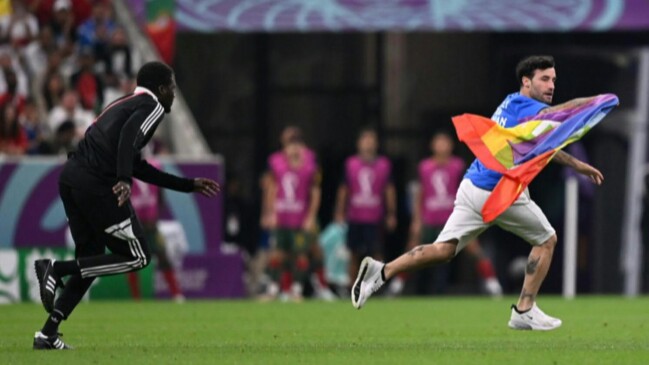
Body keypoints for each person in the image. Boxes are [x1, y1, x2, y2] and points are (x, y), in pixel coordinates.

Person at [351, 55, 604, 331]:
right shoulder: (527, 106)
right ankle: (524, 309)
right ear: (526, 81)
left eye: (553, 79)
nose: (551, 85)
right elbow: (557, 116)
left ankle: (382, 271)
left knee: (443, 249)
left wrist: (578, 165)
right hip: (496, 189)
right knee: (547, 240)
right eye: (545, 79)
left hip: (472, 185)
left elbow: (544, 146)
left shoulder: (510, 102)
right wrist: (594, 102)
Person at [32, 61, 220, 350]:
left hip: (71, 178)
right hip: (96, 183)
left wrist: (187, 185)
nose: (173, 93)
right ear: (160, 88)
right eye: (171, 87)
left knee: (91, 260)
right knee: (139, 256)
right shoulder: (152, 105)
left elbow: (137, 165)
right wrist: (122, 179)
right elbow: (128, 138)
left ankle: (48, 333)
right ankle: (56, 270)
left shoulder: (124, 103)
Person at [393, 132, 502, 296]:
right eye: (439, 142)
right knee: (414, 248)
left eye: (445, 142)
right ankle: (396, 285)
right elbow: (419, 194)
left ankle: (493, 284)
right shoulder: (425, 167)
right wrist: (416, 220)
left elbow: (467, 189)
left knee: (474, 248)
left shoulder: (457, 165)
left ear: (451, 146)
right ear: (432, 145)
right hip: (429, 218)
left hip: (453, 217)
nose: (442, 145)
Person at [334, 128, 396, 284]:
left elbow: (389, 190)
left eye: (371, 140)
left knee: (376, 253)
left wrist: (391, 213)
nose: (368, 144)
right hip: (355, 216)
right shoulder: (351, 164)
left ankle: (378, 285)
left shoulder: (384, 165)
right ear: (358, 144)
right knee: (353, 253)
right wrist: (339, 212)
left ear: (376, 144)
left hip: (375, 217)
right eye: (365, 140)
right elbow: (344, 189)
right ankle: (350, 287)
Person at [264, 134, 321, 301]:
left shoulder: (309, 169)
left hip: (299, 219)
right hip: (282, 218)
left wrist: (310, 217)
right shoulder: (278, 167)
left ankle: (297, 290)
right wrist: (271, 213)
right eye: (291, 146)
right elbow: (272, 189)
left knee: (301, 255)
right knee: (277, 255)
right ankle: (273, 289)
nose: (294, 150)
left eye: (297, 146)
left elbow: (315, 193)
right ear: (285, 149)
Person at [126, 156, 184, 302]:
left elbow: (160, 195)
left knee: (163, 257)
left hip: (151, 225)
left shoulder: (154, 167)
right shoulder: (124, 170)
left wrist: (156, 215)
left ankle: (177, 295)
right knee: (133, 261)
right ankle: (136, 299)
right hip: (134, 226)